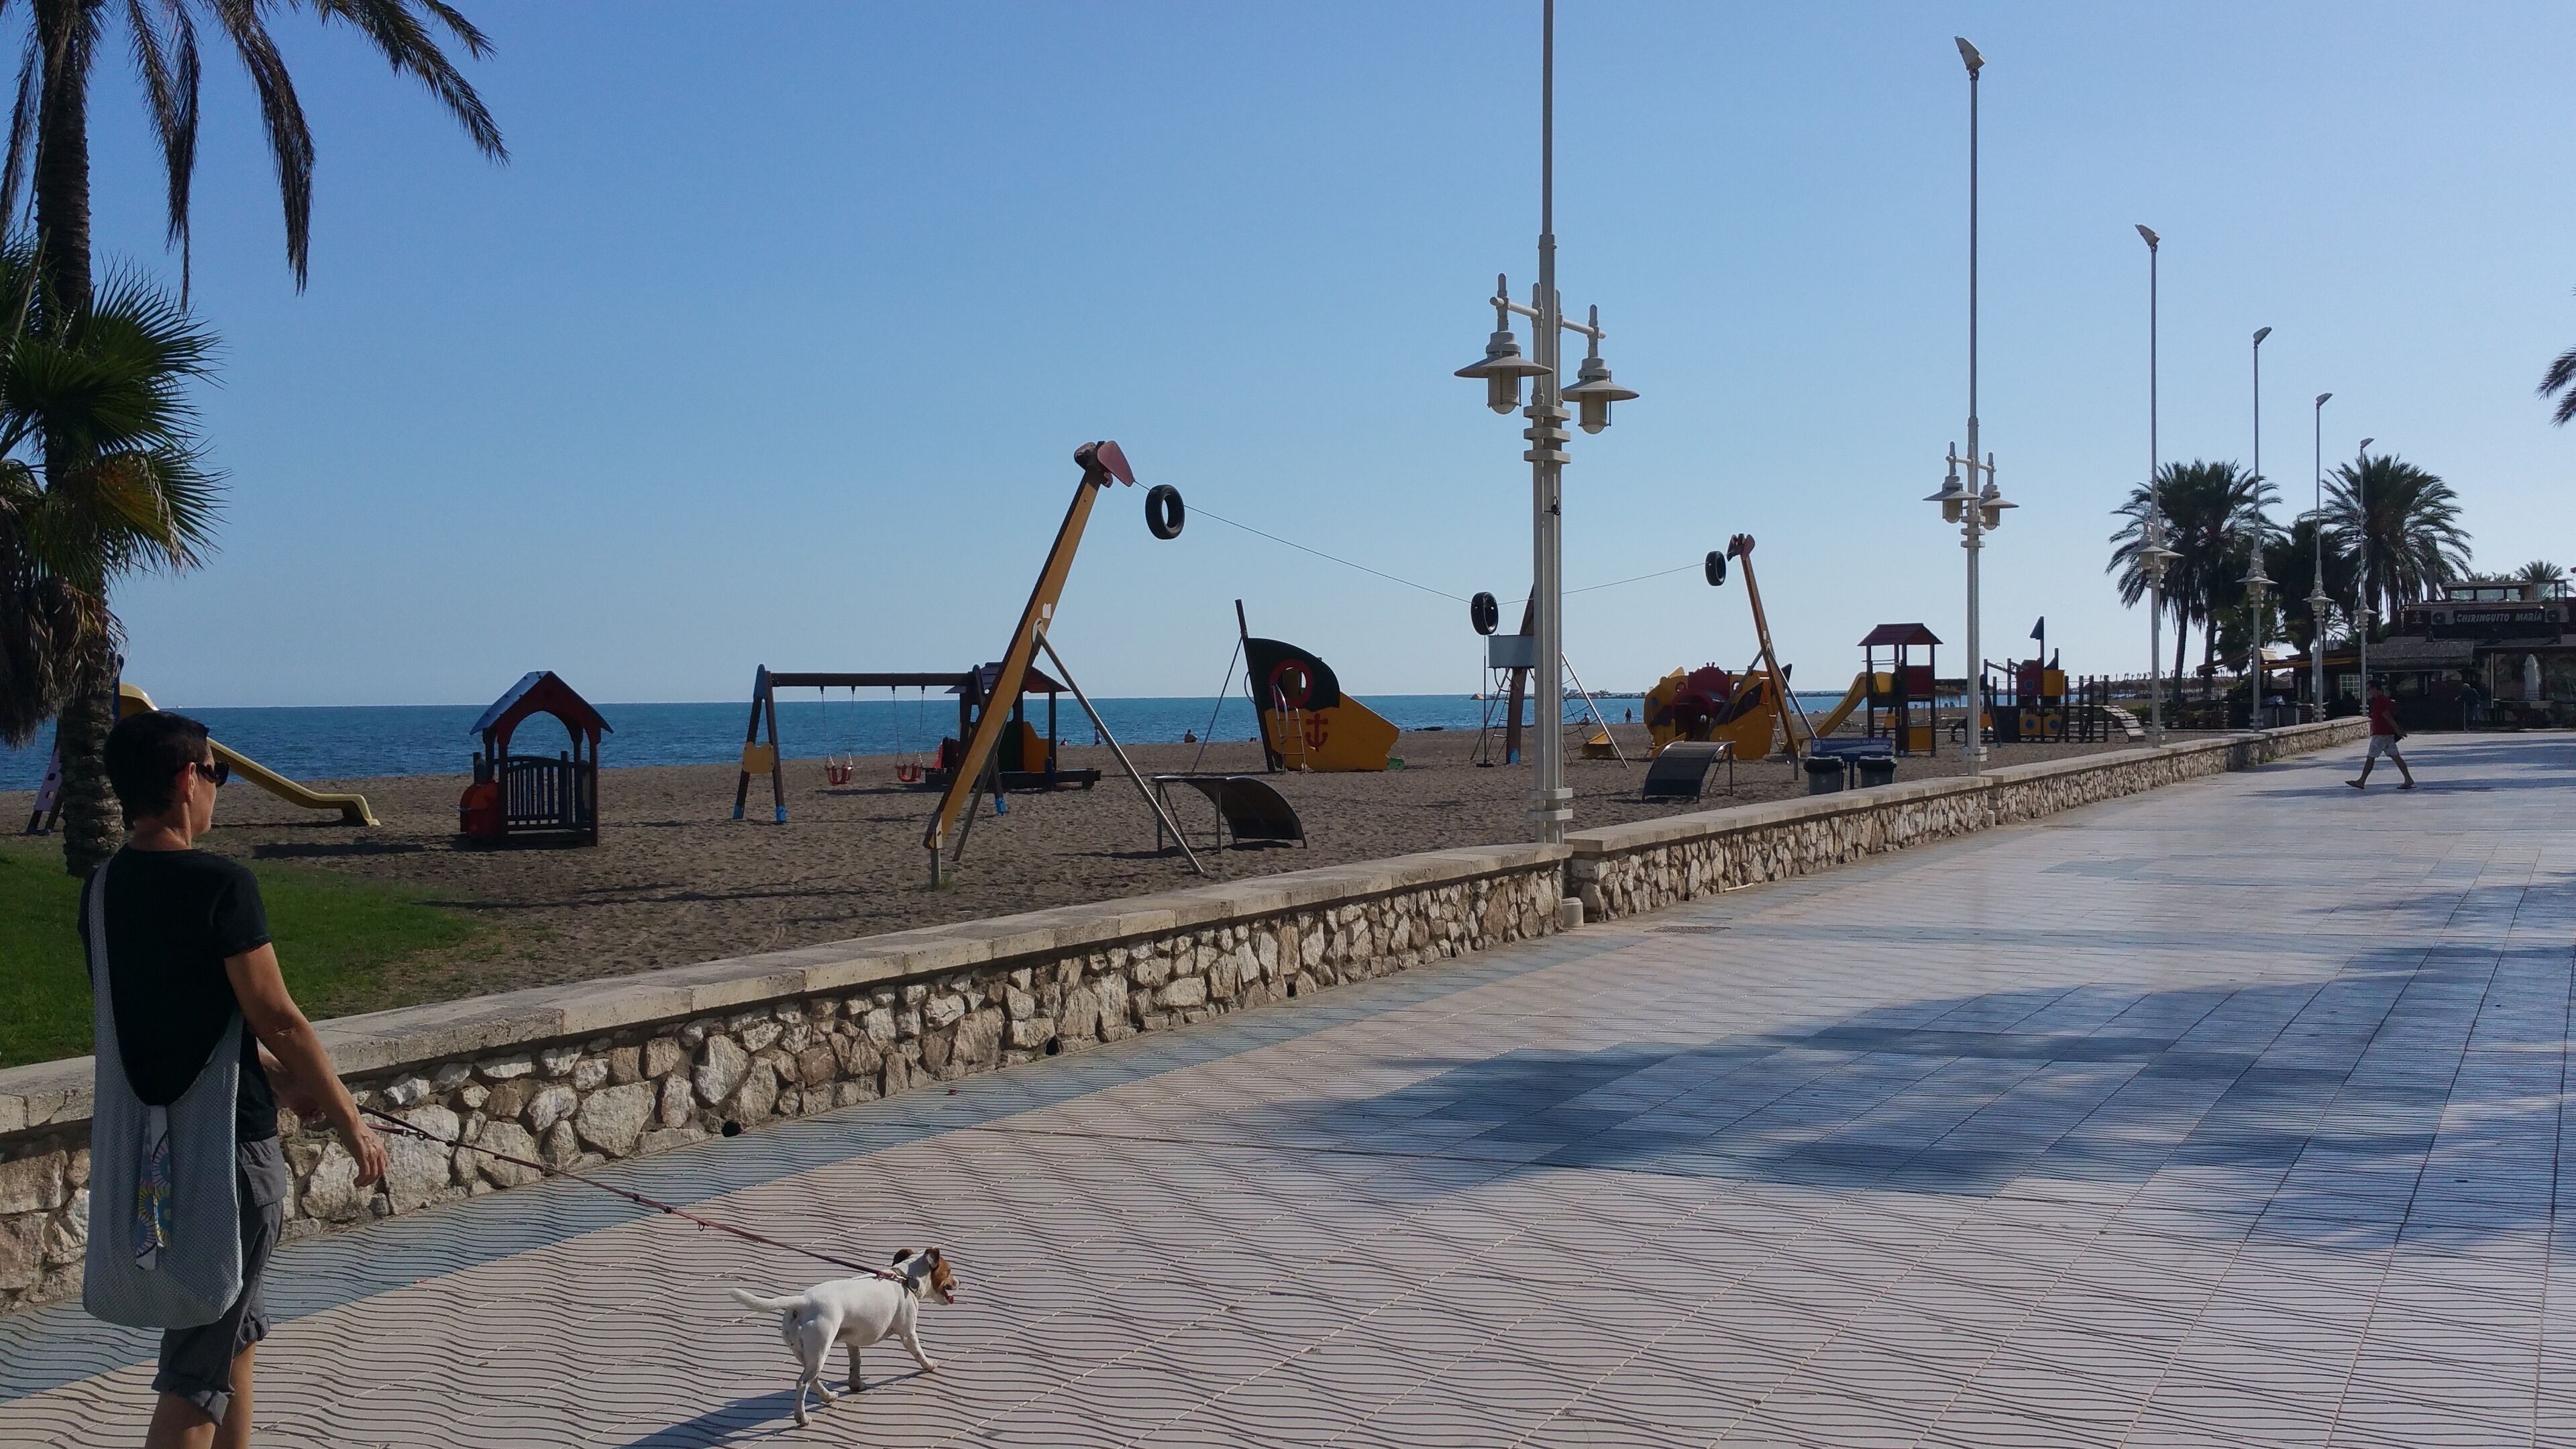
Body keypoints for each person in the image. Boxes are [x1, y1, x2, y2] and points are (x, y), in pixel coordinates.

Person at [87, 711, 388, 1449]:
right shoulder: (222, 885)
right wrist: (352, 1122)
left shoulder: (100, 890)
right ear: (188, 779)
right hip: (231, 1161)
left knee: (233, 1337)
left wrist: (282, 1081)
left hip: (156, 1157)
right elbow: (277, 1017)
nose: (218, 789)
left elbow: (180, 1024)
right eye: (216, 774)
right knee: (197, 1373)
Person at [2349, 680, 2415, 790]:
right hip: (2387, 734)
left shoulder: (2380, 701)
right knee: (2396, 757)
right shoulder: (2384, 700)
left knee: (2371, 758)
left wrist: (2398, 730)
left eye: (2369, 689)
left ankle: (2361, 781)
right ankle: (2408, 779)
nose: (2368, 691)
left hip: (2381, 735)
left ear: (2375, 688)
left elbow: (2388, 717)